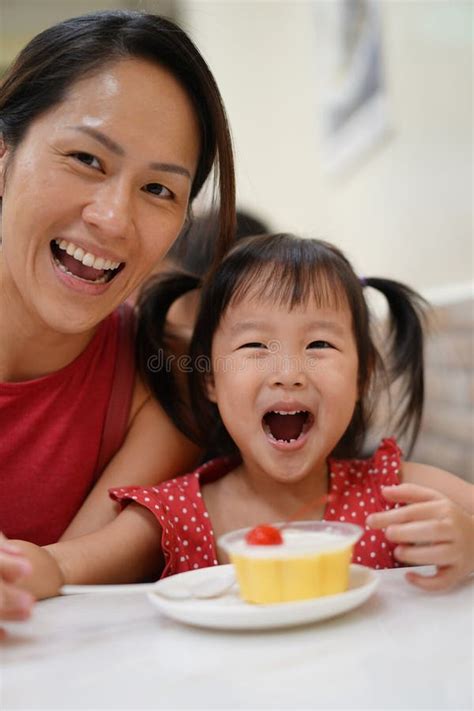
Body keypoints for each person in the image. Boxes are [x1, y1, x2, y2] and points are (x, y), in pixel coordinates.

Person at [12, 234, 474, 598]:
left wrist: (469, 541)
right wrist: (21, 570)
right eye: (255, 346)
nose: (288, 374)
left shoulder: (395, 494)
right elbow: (66, 565)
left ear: (362, 376)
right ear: (210, 378)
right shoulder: (178, 515)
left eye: (319, 345)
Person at [0, 9, 236, 623]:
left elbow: (52, 594)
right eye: (86, 158)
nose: (113, 218)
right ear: (3, 156)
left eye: (159, 190)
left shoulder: (167, 380)